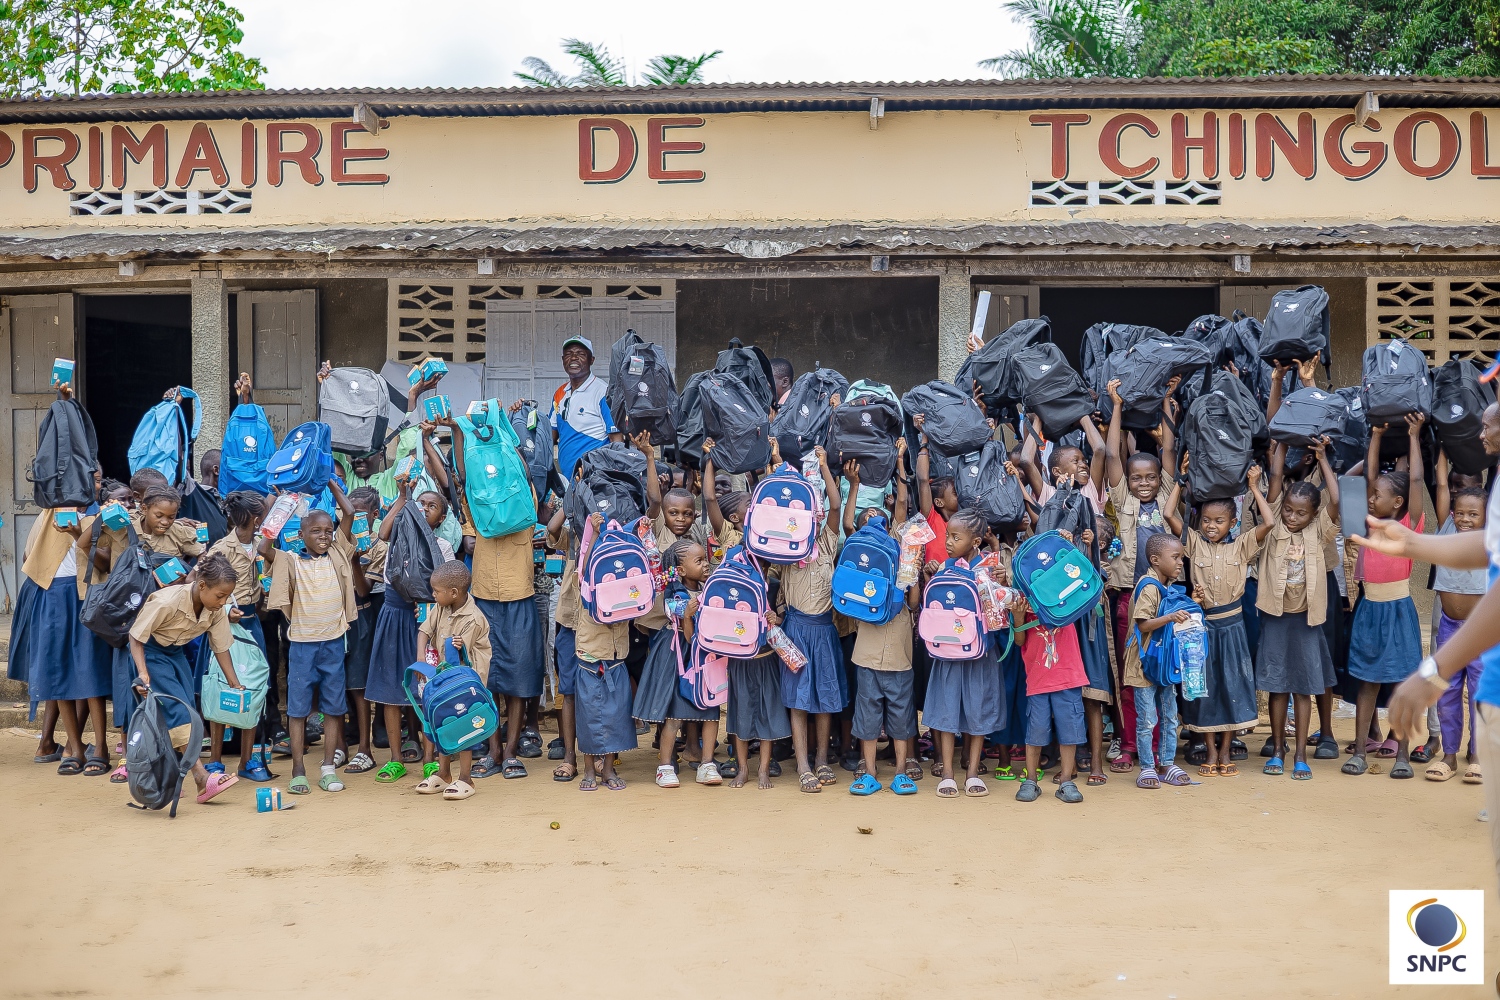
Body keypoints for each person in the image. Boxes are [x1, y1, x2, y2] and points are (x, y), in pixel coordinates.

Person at [1360, 400, 1500, 893]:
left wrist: (1434, 670)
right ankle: (1458, 755)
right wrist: (1413, 545)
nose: (1479, 429)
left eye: (1489, 419)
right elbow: (1488, 546)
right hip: (1464, 633)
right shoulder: (1495, 488)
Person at [441, 414, 544, 780]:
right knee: (485, 679)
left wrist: (510, 450)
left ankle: (512, 750)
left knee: (517, 679)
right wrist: (457, 431)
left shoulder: (526, 504)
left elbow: (517, 470)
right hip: (483, 600)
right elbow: (464, 478)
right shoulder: (477, 504)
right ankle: (494, 749)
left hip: (519, 598)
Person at [1163, 460, 1273, 778]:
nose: (1212, 526)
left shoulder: (1241, 546)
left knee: (1232, 687)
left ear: (1232, 522)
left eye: (1220, 521)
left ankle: (1226, 751)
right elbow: (1170, 515)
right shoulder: (1193, 543)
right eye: (1207, 520)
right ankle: (1210, 750)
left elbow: (1268, 522)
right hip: (1202, 628)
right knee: (1204, 689)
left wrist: (1254, 487)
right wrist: (1181, 482)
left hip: (1233, 627)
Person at [15, 467, 112, 778]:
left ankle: (101, 747)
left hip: (87, 596)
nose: (94, 485)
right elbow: (31, 556)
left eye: (98, 480)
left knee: (89, 670)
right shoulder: (50, 514)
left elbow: (106, 562)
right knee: (57, 671)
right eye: (88, 478)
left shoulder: (104, 516)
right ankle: (75, 748)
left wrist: (76, 535)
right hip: (53, 595)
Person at [1102, 378, 1177, 774]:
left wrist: (1165, 398)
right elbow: (1111, 454)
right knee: (1132, 675)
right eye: (1137, 478)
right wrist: (1117, 405)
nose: (1145, 483)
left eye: (1150, 477)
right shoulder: (1123, 500)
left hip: (1166, 602)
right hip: (1130, 598)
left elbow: (1167, 448)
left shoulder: (1165, 495)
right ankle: (1130, 744)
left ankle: (1164, 749)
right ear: (1128, 482)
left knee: (1164, 671)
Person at [126, 554, 243, 805]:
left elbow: (221, 647)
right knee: (178, 712)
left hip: (175, 653)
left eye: (226, 596)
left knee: (188, 712)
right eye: (219, 596)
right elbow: (135, 637)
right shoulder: (167, 602)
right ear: (202, 586)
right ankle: (201, 777)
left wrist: (234, 682)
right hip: (151, 653)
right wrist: (143, 673)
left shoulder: (216, 609)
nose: (223, 602)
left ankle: (169, 775)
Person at [1345, 414, 1425, 780]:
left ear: (1398, 503)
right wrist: (1375, 436)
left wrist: (1414, 435)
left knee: (1401, 683)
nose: (1371, 498)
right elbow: (1367, 476)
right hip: (1369, 608)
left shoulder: (1409, 525)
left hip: (1399, 609)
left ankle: (1403, 755)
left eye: (1379, 495)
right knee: (1368, 681)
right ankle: (1360, 752)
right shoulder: (1368, 522)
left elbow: (1418, 479)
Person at [1259, 439, 1341, 780]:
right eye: (1289, 511)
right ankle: (1278, 750)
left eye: (1301, 513)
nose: (1293, 517)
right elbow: (1276, 484)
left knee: (1305, 687)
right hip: (1277, 619)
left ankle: (1300, 755)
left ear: (1313, 514)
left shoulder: (1320, 530)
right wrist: (1278, 446)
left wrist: (1322, 460)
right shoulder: (1275, 527)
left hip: (1307, 621)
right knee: (1278, 687)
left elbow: (1335, 500)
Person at [266, 503, 357, 795]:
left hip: (333, 643)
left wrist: (329, 480)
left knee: (333, 708)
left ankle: (328, 768)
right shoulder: (290, 560)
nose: (324, 535)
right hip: (302, 647)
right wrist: (280, 506)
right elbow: (264, 544)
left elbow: (350, 511)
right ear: (300, 534)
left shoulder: (338, 555)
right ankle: (298, 770)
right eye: (315, 531)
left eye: (328, 531)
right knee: (297, 710)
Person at [774, 443, 847, 794]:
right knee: (798, 700)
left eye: (816, 514)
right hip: (796, 630)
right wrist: (776, 465)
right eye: (808, 514)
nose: (815, 518)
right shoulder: (786, 550)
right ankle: (803, 763)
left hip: (824, 631)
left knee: (824, 698)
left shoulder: (829, 543)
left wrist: (824, 465)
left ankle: (821, 758)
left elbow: (836, 504)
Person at [845, 464, 921, 797]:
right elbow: (847, 524)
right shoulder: (860, 554)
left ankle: (901, 772)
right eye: (866, 518)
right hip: (869, 651)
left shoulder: (903, 553)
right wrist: (854, 485)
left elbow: (914, 602)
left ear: (890, 526)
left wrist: (912, 572)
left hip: (898, 652)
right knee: (868, 715)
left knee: (901, 714)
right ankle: (870, 772)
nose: (873, 520)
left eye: (879, 517)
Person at [923, 508, 1008, 799]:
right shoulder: (945, 566)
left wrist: (1002, 582)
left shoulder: (990, 569)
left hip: (981, 651)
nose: (948, 542)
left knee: (978, 710)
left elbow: (1000, 614)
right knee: (947, 711)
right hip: (948, 651)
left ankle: (972, 771)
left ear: (975, 542)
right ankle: (947, 772)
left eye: (955, 537)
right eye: (947, 535)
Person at [363, 473, 442, 783]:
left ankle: (429, 759)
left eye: (431, 506)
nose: (423, 508)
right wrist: (403, 497)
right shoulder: (394, 540)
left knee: (427, 691)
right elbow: (382, 531)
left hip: (425, 623)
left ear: (441, 518)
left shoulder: (442, 546)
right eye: (420, 503)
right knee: (389, 688)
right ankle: (395, 759)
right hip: (393, 616)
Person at [632, 539, 721, 788]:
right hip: (679, 657)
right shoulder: (674, 593)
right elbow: (687, 633)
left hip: (704, 657)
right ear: (680, 570)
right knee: (673, 713)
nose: (706, 565)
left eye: (705, 559)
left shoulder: (708, 588)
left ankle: (707, 763)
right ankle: (665, 767)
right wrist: (690, 615)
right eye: (699, 561)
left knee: (710, 710)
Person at [1426, 456, 1489, 782]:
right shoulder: (1446, 528)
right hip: (1449, 628)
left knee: (1480, 693)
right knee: (1447, 692)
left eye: (1472, 514)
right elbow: (1440, 485)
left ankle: (1477, 754)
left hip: (1480, 633)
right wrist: (1441, 450)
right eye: (1460, 512)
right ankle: (1449, 757)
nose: (1464, 518)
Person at [203, 491, 272, 782]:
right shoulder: (222, 548)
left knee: (253, 689)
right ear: (255, 519)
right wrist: (228, 608)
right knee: (222, 689)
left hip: (253, 623)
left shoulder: (261, 545)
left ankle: (247, 759)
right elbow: (206, 585)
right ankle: (216, 761)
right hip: (224, 625)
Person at [1120, 533, 1195, 790]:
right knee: (1147, 718)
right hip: (1144, 662)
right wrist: (1172, 617)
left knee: (1170, 714)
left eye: (1182, 558)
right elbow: (1143, 623)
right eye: (1175, 557)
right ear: (1155, 560)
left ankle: (1166, 763)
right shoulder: (1149, 586)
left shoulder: (1165, 586)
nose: (1180, 563)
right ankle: (1148, 767)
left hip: (1162, 661)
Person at [414, 560, 493, 799]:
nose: (433, 595)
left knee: (463, 725)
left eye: (436, 591)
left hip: (465, 684)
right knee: (443, 723)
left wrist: (456, 648)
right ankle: (444, 773)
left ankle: (466, 778)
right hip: (445, 679)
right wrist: (421, 659)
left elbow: (460, 659)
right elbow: (424, 631)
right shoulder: (441, 607)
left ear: (454, 593)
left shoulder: (474, 618)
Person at [574, 512, 637, 790]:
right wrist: (596, 533)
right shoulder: (586, 582)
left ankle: (608, 770)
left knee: (615, 718)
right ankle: (589, 770)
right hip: (590, 660)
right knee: (588, 719)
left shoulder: (626, 588)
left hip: (615, 660)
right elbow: (587, 564)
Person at [1013, 584, 1089, 805]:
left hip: (1068, 675)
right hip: (1038, 678)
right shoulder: (1023, 600)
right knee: (1035, 730)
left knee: (1070, 730)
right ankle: (1030, 779)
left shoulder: (1065, 594)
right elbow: (1019, 641)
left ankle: (1066, 781)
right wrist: (1018, 617)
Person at [330, 483, 386, 775]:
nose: (352, 519)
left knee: (359, 687)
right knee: (334, 683)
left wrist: (354, 563)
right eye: (346, 514)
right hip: (330, 620)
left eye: (360, 515)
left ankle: (365, 748)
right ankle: (339, 745)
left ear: (375, 515)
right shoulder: (334, 540)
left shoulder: (378, 546)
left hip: (361, 618)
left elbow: (364, 591)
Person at [551, 336, 622, 483]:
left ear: (592, 360)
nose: (574, 358)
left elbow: (617, 441)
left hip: (594, 479)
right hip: (567, 480)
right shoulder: (559, 393)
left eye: (581, 354)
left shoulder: (603, 392)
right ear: (563, 359)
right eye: (569, 354)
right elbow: (550, 435)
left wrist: (613, 480)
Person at [545, 500, 582, 783]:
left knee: (600, 691)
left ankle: (602, 756)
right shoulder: (574, 533)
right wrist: (571, 497)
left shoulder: (614, 529)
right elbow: (552, 527)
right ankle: (570, 755)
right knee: (568, 689)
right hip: (570, 620)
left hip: (603, 625)